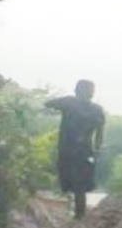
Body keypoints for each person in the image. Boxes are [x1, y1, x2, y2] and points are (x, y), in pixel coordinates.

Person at [45, 80, 105, 219]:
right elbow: (100, 134)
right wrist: (97, 150)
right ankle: (78, 214)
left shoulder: (70, 103)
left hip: (71, 150)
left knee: (76, 184)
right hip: (82, 151)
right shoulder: (94, 109)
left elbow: (47, 104)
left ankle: (79, 215)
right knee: (78, 184)